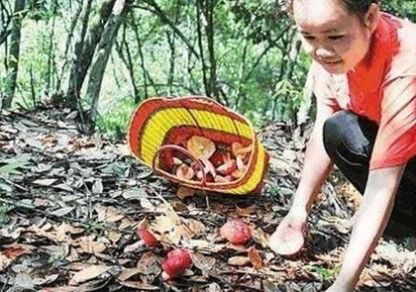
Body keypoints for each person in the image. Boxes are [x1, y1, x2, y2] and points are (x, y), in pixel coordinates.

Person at [268, 0, 416, 291]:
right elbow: (325, 129)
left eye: (334, 36)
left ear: (370, 17)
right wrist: (298, 213)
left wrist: (343, 284)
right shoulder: (333, 54)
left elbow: (383, 183)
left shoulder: (406, 64)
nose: (321, 50)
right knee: (339, 129)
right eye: (309, 37)